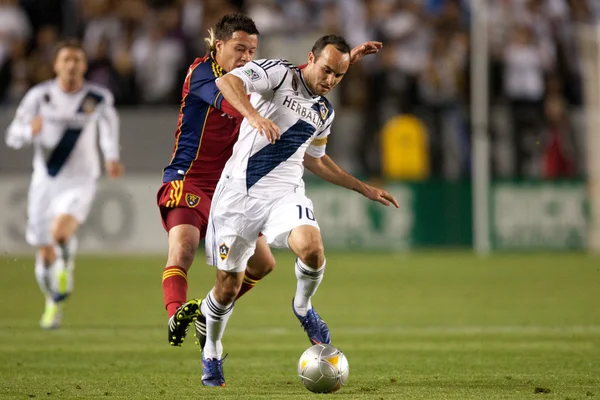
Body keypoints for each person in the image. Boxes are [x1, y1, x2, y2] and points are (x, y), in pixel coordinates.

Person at [157, 13, 383, 348]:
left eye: (252, 50)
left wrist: (338, 62)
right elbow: (242, 97)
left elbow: (290, 82)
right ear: (218, 46)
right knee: (184, 247)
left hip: (232, 186)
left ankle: (211, 309)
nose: (246, 57)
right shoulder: (203, 74)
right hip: (189, 178)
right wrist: (257, 114)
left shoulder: (258, 78)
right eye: (239, 49)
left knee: (264, 264)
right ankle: (176, 314)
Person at [198, 34, 399, 386]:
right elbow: (226, 81)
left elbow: (317, 162)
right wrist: (254, 115)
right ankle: (211, 350)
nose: (331, 81)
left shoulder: (323, 112)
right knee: (226, 288)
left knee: (312, 249)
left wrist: (363, 187)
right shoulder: (278, 74)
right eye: (326, 71)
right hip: (237, 197)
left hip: (284, 195)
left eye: (338, 75)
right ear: (309, 58)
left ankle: (303, 308)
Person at [5, 39, 123, 329]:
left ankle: (66, 263)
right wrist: (27, 131)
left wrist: (111, 156)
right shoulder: (39, 96)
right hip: (45, 181)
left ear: (84, 65)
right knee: (44, 253)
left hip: (81, 179)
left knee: (59, 233)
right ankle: (52, 302)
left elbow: (108, 128)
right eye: (66, 59)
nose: (72, 65)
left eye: (77, 60)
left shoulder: (97, 97)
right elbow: (12, 135)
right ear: (56, 64)